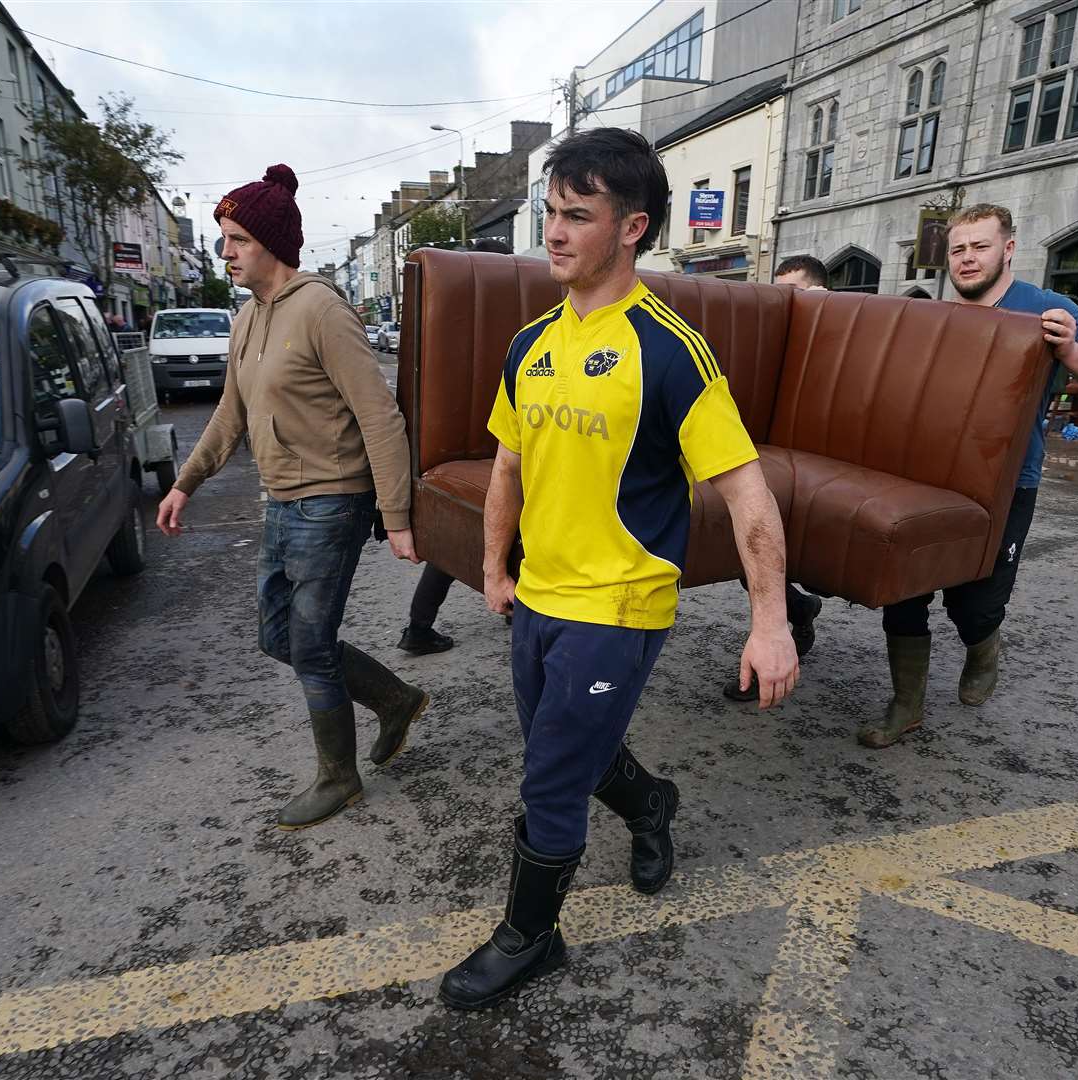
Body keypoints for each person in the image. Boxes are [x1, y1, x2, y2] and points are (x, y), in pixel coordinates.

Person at [439, 128, 798, 1010]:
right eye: (550, 214)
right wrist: (493, 567)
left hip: (622, 602)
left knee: (550, 774)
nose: (554, 234)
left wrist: (770, 621)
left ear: (632, 227)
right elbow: (509, 468)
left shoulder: (670, 349)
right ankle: (650, 805)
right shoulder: (530, 345)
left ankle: (530, 937)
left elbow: (749, 496)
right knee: (568, 749)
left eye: (576, 216)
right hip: (540, 596)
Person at [155, 164, 429, 830]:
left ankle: (339, 776)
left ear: (272, 242)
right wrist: (185, 481)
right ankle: (394, 700)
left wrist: (395, 515)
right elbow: (230, 412)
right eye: (224, 239)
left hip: (332, 500)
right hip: (282, 500)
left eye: (237, 239)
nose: (226, 252)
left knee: (309, 643)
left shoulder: (321, 309)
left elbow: (378, 416)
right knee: (277, 636)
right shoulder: (249, 318)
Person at [861, 204, 1078, 749]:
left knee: (974, 601)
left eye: (979, 246)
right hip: (921, 477)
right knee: (904, 591)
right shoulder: (931, 315)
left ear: (1008, 248)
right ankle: (906, 705)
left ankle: (984, 646)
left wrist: (1071, 348)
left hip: (1006, 482)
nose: (967, 258)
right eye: (958, 249)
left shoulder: (1048, 309)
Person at [396, 238, 520, 656]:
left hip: (463, 445)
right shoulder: (518, 318)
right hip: (498, 443)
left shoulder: (459, 317)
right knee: (513, 528)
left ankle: (419, 625)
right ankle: (515, 610)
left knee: (450, 551)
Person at [720, 253, 828, 702]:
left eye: (797, 296)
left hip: (827, 458)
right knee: (754, 561)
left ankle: (781, 637)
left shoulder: (840, 330)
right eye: (780, 296)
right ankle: (789, 623)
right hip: (783, 455)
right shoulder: (776, 338)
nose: (789, 306)